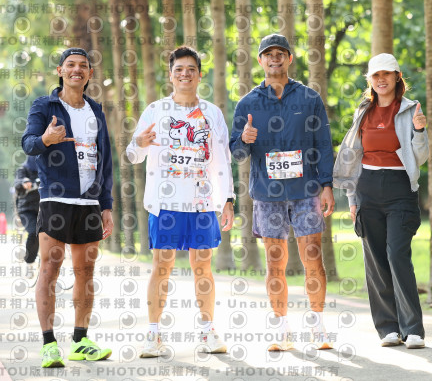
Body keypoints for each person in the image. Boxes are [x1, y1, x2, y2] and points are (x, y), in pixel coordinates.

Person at [229, 34, 335, 351]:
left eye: (280, 53)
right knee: (275, 262)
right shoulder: (247, 104)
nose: (274, 58)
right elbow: (236, 154)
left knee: (312, 257)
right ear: (260, 60)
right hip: (267, 194)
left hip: (306, 191)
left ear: (289, 58)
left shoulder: (309, 98)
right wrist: (244, 139)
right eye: (268, 54)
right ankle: (281, 330)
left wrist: (327, 185)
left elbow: (323, 145)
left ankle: (317, 326)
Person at [127, 46, 234, 357]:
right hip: (165, 203)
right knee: (162, 266)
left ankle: (207, 331)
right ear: (171, 76)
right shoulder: (156, 110)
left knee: (203, 266)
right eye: (179, 70)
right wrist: (138, 142)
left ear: (199, 75)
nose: (185, 74)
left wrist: (227, 199)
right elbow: (132, 155)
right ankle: (153, 335)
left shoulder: (212, 113)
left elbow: (223, 159)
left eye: (191, 69)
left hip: (202, 203)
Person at [22, 47, 114, 368]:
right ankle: (49, 345)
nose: (77, 70)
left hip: (89, 201)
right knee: (50, 268)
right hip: (56, 199)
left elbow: (106, 160)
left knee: (85, 272)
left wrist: (106, 205)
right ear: (60, 71)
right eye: (70, 65)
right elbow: (28, 143)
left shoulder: (96, 110)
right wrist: (46, 139)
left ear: (89, 73)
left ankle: (80, 341)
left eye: (83, 66)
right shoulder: (45, 106)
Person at [333, 53, 429, 349]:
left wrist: (420, 131)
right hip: (367, 188)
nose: (381, 79)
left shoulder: (411, 109)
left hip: (400, 187)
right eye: (376, 75)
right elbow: (353, 156)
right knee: (375, 258)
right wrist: (352, 198)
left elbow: (421, 157)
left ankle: (413, 329)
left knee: (397, 254)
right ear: (370, 80)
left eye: (387, 74)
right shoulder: (363, 111)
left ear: (398, 77)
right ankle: (388, 327)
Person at [14, 155, 40, 278]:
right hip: (27, 210)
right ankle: (30, 263)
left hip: (45, 209)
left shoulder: (46, 168)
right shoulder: (23, 169)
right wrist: (24, 183)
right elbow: (18, 183)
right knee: (34, 232)